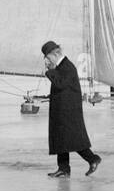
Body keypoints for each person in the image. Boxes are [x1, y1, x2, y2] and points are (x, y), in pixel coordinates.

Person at [41, 40, 100, 177]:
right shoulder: (61, 66)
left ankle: (93, 159)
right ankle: (64, 169)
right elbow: (62, 87)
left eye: (48, 58)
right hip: (62, 109)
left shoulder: (67, 67)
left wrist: (50, 71)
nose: (47, 61)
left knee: (73, 140)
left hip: (68, 111)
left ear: (55, 54)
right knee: (62, 139)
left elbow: (60, 84)